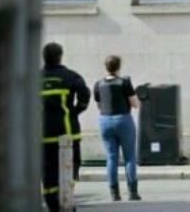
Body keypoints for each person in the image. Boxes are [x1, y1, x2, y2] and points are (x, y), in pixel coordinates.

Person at [41, 42, 90, 212]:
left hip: (44, 133)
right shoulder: (70, 76)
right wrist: (75, 111)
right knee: (71, 164)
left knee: (48, 169)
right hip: (68, 132)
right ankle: (66, 197)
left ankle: (52, 202)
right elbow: (85, 94)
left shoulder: (35, 77)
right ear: (60, 56)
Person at [93, 55, 141, 201]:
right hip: (123, 119)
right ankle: (132, 192)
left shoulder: (98, 84)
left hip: (104, 120)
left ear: (105, 67)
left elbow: (99, 104)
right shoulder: (124, 82)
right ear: (119, 67)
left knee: (111, 157)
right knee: (130, 157)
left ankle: (114, 193)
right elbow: (135, 104)